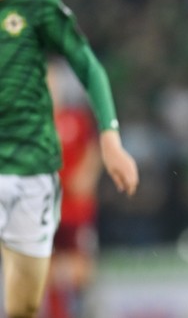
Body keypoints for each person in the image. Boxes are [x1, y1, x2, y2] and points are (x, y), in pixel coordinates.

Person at [0, 0, 139, 318]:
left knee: (26, 303)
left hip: (31, 178)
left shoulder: (35, 2)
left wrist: (110, 136)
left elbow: (88, 64)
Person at [44, 61, 103, 318]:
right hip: (42, 211)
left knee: (80, 271)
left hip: (74, 210)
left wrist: (87, 176)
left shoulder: (75, 119)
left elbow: (94, 151)